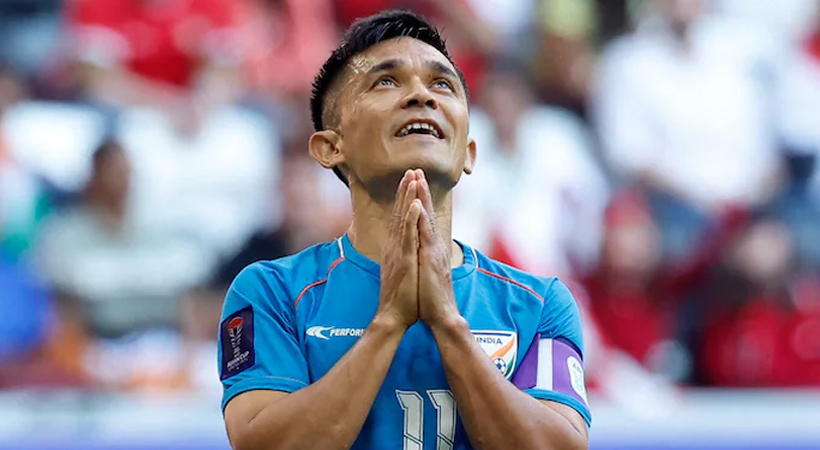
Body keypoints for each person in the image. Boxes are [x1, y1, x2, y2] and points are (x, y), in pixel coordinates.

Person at [218, 10, 590, 450]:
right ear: (330, 147)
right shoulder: (270, 292)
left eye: (442, 84)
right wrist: (389, 322)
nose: (421, 95)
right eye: (386, 82)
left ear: (469, 152)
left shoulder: (540, 304)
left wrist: (448, 324)